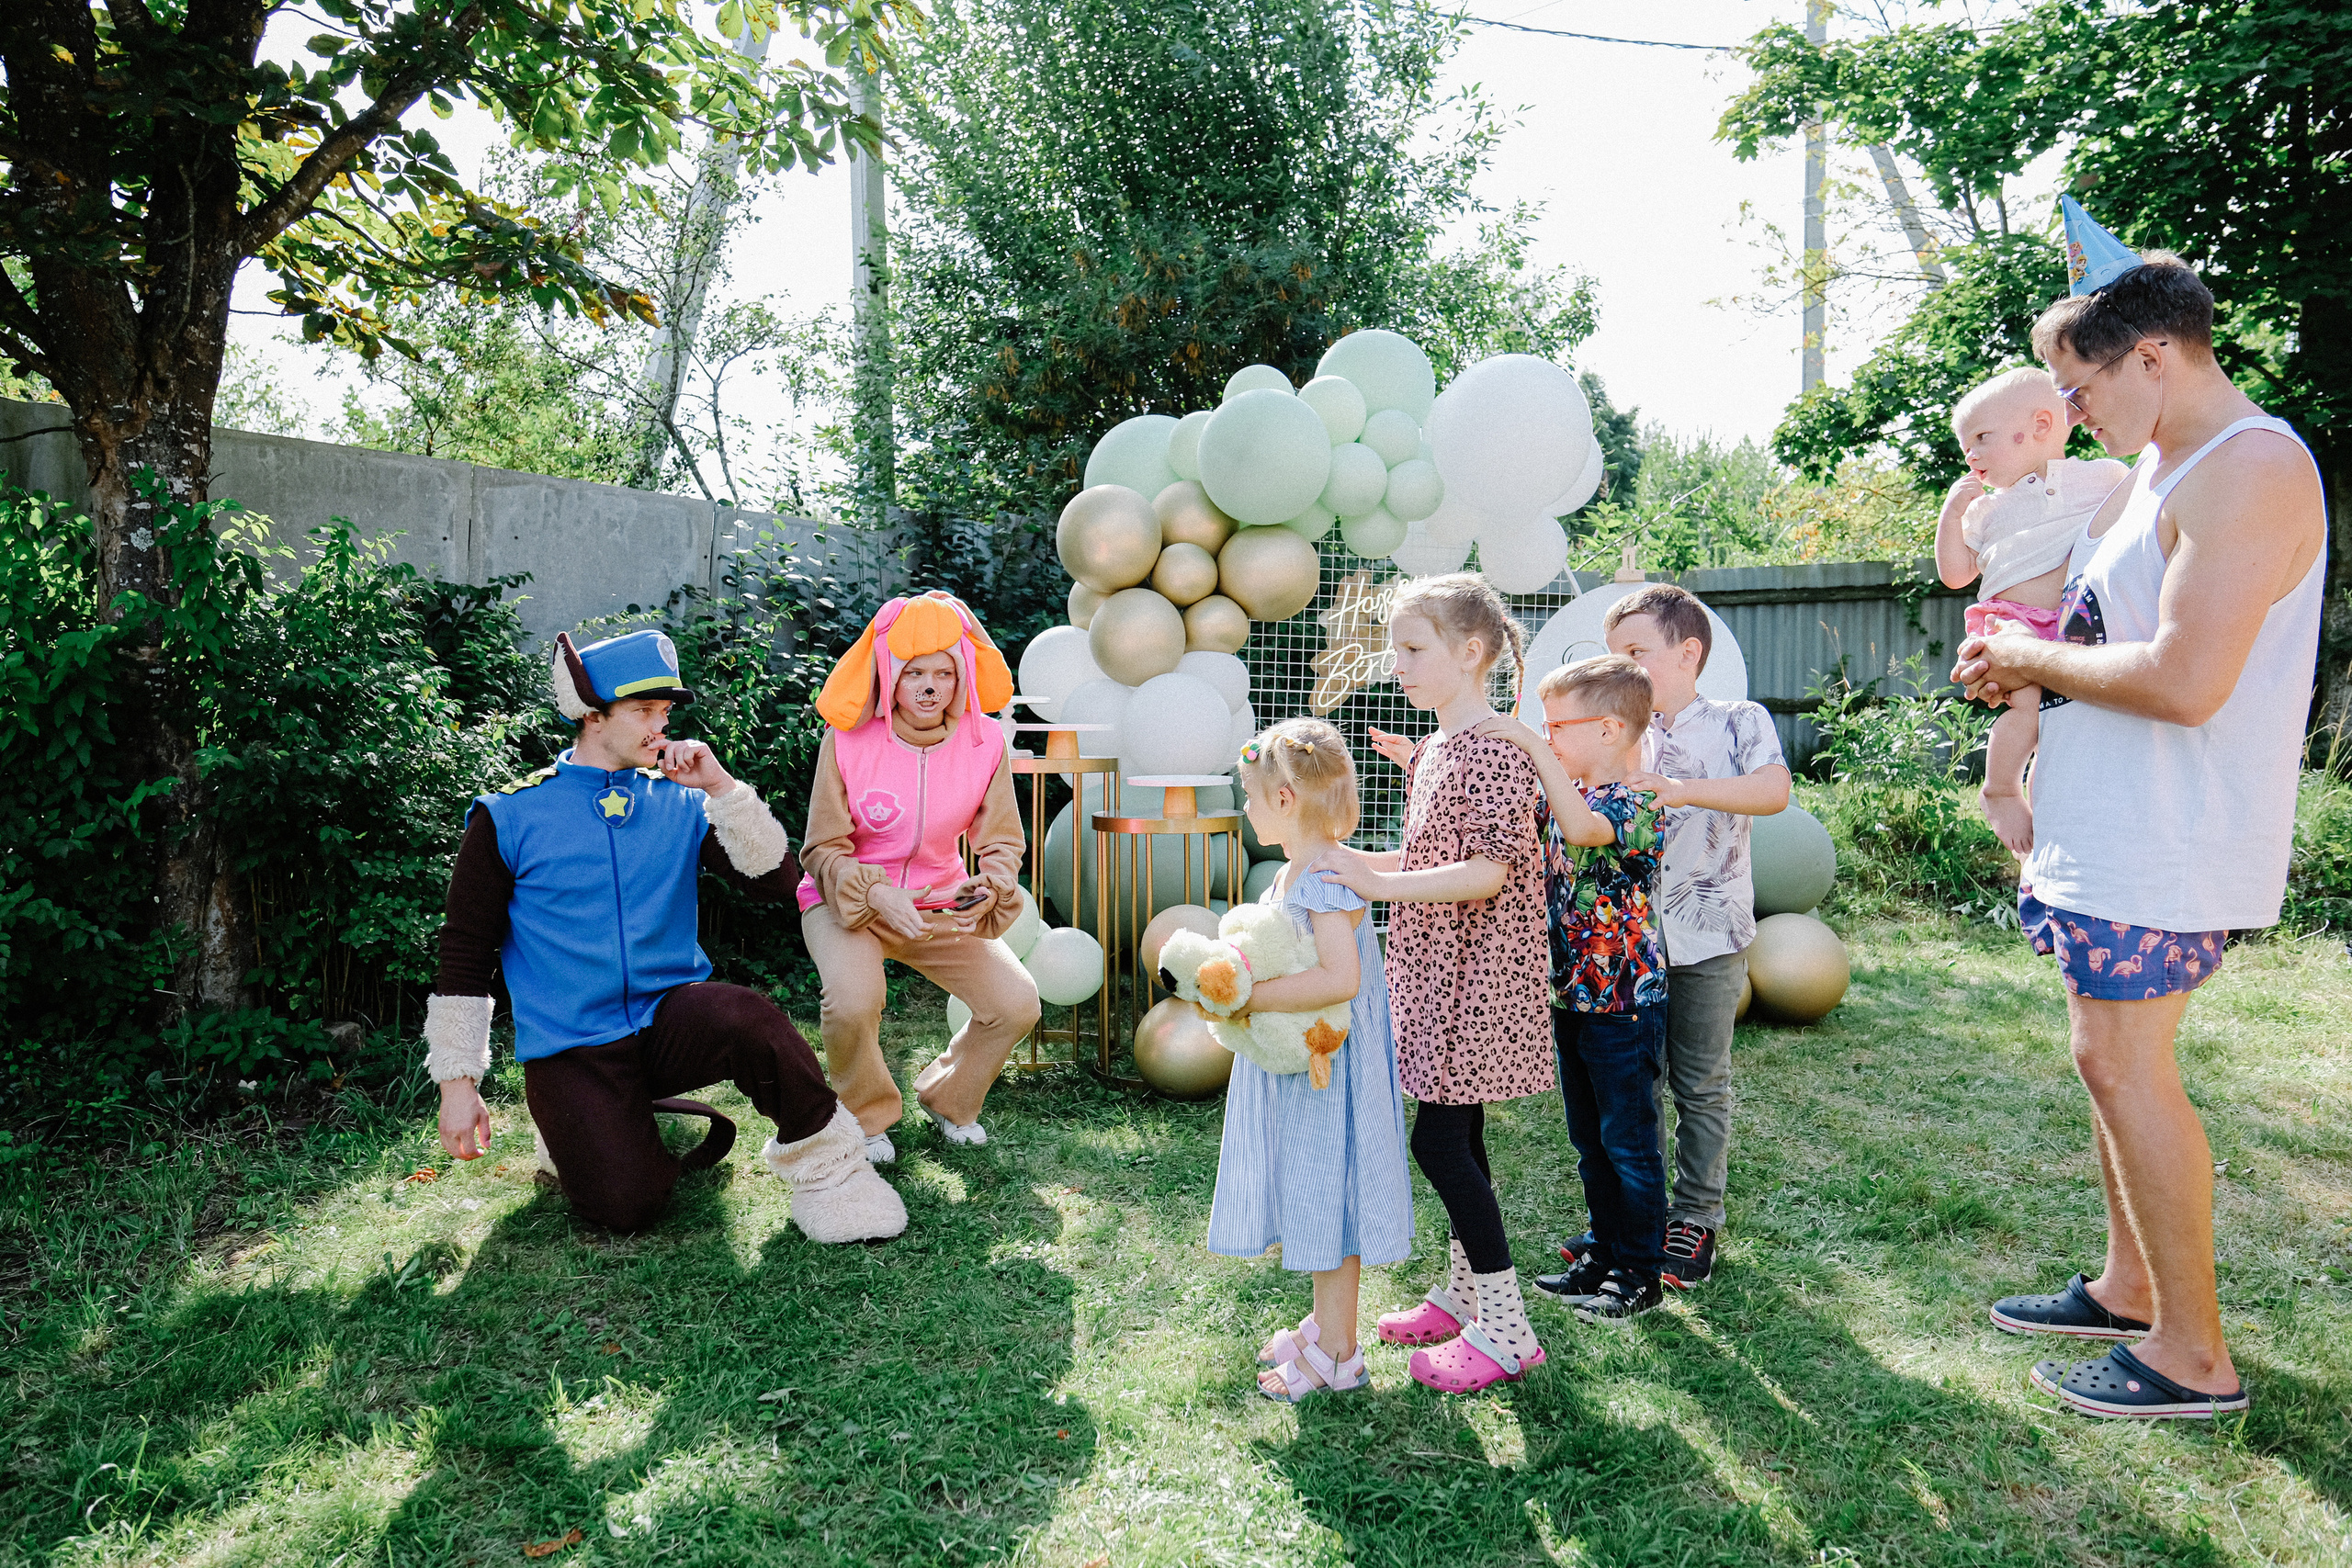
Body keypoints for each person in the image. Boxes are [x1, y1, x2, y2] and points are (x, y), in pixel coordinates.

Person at [1953, 242, 2323, 1420]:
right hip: (2104, 827)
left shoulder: (2248, 468)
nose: (2067, 412)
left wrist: (2025, 655)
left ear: (2155, 355)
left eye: (2080, 386)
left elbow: (2183, 679)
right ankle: (2125, 1289)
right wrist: (2019, 669)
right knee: (2101, 1060)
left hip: (2171, 836)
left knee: (2126, 1063)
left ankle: (2191, 1357)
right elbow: (2103, 637)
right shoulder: (2162, 471)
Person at [423, 627, 906, 1243]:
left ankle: (833, 1172)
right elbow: (465, 952)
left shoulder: (679, 801)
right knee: (629, 1206)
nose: (661, 725)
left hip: (665, 1021)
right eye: (643, 711)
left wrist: (722, 789)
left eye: (665, 711)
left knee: (748, 1016)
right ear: (593, 717)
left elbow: (779, 881)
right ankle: (572, 1126)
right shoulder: (510, 816)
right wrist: (458, 1084)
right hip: (571, 1044)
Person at [1319, 572, 1552, 1394]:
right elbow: (1427, 863)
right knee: (1461, 1134)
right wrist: (1353, 865)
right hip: (1441, 975)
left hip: (1477, 982)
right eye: (1395, 646)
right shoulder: (1442, 747)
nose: (1398, 663)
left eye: (1413, 648)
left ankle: (1507, 1329)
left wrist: (1379, 886)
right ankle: (1461, 1294)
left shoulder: (1491, 747)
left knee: (1439, 1141)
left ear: (1472, 653)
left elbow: (1487, 871)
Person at [1568, 583, 1790, 1290]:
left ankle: (1695, 1214)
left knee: (1700, 1080)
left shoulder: (1737, 720)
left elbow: (1773, 791)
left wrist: (1684, 790)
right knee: (1635, 1088)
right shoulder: (1617, 731)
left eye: (1636, 652)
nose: (1623, 668)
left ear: (1688, 652)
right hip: (1628, 948)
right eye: (1615, 656)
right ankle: (1635, 1220)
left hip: (1708, 936)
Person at [1205, 718, 1414, 1403]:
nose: (1246, 806)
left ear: (1287, 799)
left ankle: (1338, 1351)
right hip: (1308, 1070)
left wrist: (1252, 997)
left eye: (1251, 794)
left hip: (1331, 1071)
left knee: (1332, 1196)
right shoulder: (1299, 870)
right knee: (1315, 1191)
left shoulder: (1325, 878)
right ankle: (1327, 1325)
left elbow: (1340, 979)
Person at [797, 591, 1039, 1161]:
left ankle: (949, 1097)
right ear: (889, 676)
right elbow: (821, 848)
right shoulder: (848, 740)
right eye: (914, 673)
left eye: (943, 673)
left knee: (1017, 1001)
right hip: (846, 903)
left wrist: (989, 885)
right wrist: (878, 893)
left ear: (961, 678)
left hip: (937, 902)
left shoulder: (985, 744)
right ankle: (865, 1116)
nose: (930, 686)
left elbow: (1002, 841)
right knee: (855, 1000)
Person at [1480, 658, 1672, 1323]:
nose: (1548, 735)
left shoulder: (1640, 799)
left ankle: (1640, 1271)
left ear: (1612, 729)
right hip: (1571, 996)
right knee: (1589, 1139)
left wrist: (1536, 750)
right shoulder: (1565, 794)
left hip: (1624, 1002)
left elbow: (1588, 832)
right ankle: (1603, 1248)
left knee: (1630, 1142)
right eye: (1544, 725)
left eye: (1559, 724)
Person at [1933, 368, 2131, 853]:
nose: (1971, 454)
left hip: (2071, 623)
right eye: (1965, 447)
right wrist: (1951, 517)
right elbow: (1955, 575)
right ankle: (1999, 786)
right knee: (2025, 704)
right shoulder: (1985, 511)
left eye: (1982, 438)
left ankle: (2049, 800)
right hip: (2009, 620)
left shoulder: (2103, 477)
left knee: (2061, 719)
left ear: (2042, 424)